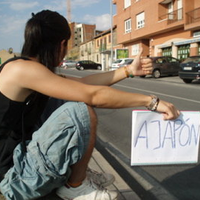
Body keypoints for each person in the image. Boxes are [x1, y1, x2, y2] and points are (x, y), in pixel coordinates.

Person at [0, 10, 180, 200]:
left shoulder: (27, 68)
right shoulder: (22, 70)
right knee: (80, 110)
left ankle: (77, 178)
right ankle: (75, 185)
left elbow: (83, 84)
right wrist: (150, 101)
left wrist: (128, 71)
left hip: (18, 160)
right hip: (12, 176)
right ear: (62, 44)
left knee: (67, 98)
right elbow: (92, 94)